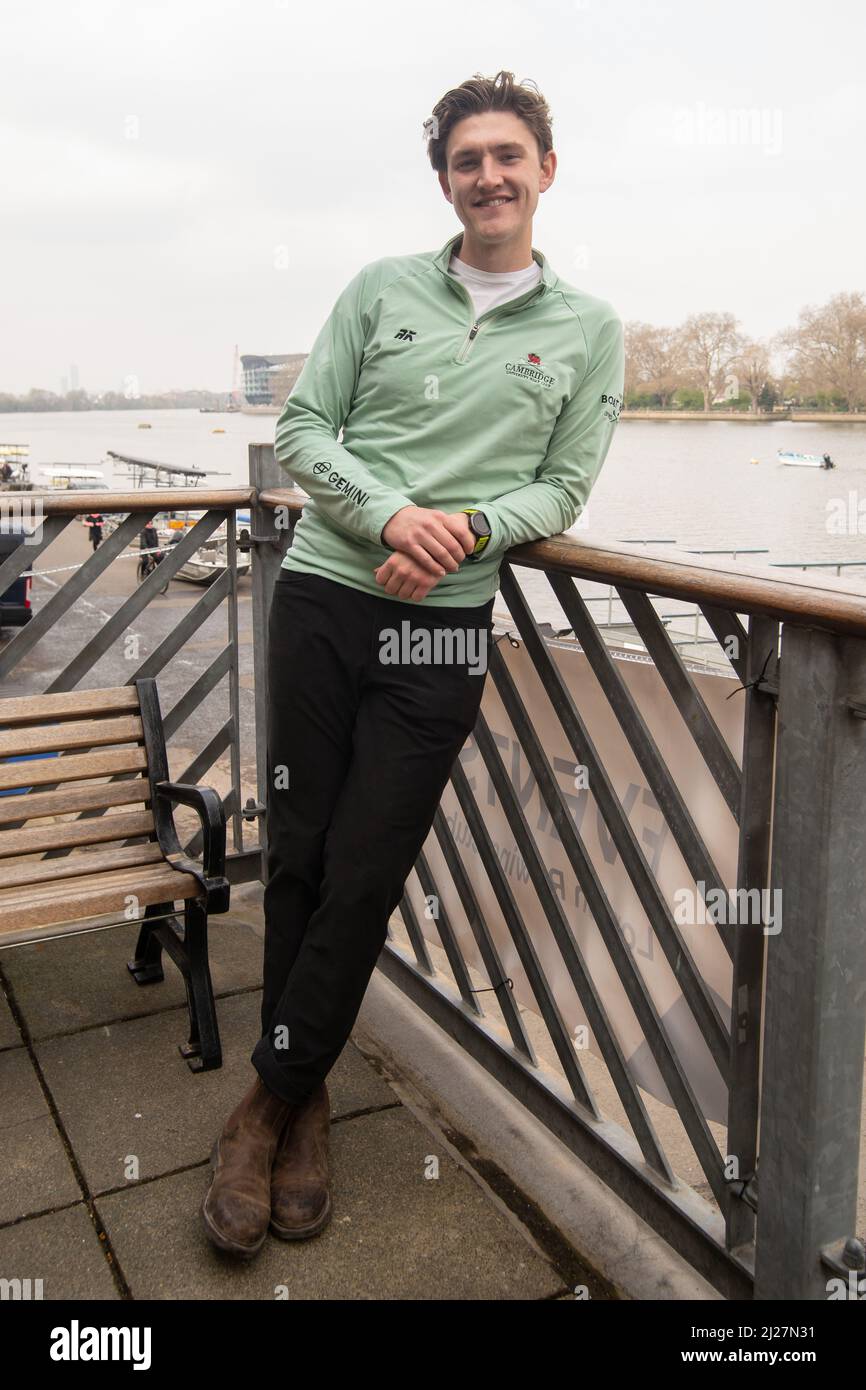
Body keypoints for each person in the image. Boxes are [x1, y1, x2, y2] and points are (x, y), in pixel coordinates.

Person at [201, 69, 626, 1261]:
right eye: (464, 160)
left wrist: (464, 533)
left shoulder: (587, 330)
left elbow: (562, 485)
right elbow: (301, 432)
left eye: (507, 155)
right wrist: (392, 517)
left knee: (368, 860)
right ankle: (306, 1095)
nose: (486, 175)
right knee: (300, 846)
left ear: (546, 168)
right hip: (330, 596)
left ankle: (270, 1096)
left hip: (442, 627)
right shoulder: (379, 290)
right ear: (443, 179)